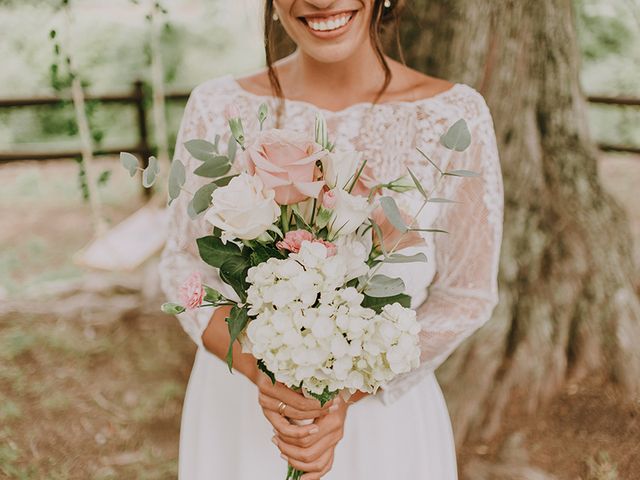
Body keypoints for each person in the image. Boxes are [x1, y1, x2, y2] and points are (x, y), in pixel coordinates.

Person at [159, 0, 503, 478]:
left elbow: (466, 295)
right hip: (240, 411)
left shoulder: (452, 117)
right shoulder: (217, 109)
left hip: (383, 425)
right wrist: (264, 373)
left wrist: (341, 395)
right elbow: (182, 268)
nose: (321, 1)